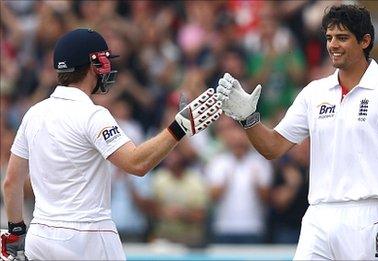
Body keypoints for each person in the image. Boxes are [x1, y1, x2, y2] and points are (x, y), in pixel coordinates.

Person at [217, 4, 378, 260]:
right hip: (318, 216)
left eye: (342, 38)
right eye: (329, 38)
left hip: (371, 217)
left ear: (365, 41)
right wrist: (247, 118)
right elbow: (273, 147)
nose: (332, 45)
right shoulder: (314, 92)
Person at [1, 28, 222, 260]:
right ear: (91, 65)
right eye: (103, 61)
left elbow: (11, 182)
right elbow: (137, 164)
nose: (106, 69)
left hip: (41, 235)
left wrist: (16, 233)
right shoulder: (93, 115)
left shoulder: (34, 114)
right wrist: (180, 127)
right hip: (88, 237)